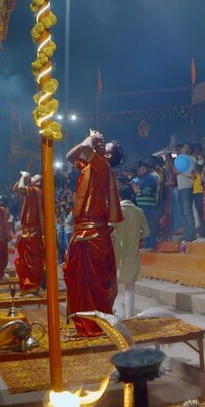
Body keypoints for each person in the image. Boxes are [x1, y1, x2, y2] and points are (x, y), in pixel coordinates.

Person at [65, 130, 124, 337]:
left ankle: (96, 324)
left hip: (92, 234)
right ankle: (83, 321)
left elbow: (86, 147)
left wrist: (92, 138)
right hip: (81, 230)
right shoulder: (90, 166)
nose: (100, 144)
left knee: (92, 283)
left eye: (104, 145)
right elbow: (70, 156)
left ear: (108, 155)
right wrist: (89, 140)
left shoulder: (102, 166)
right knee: (77, 282)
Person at [113, 185, 149, 319]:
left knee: (114, 286)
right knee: (130, 287)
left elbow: (110, 231)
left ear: (119, 196)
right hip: (132, 251)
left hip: (117, 252)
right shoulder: (139, 211)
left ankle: (117, 314)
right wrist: (136, 236)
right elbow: (146, 232)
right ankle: (129, 316)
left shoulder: (116, 211)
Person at [13, 171, 44, 295]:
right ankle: (27, 287)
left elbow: (20, 188)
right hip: (27, 232)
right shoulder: (31, 192)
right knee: (25, 263)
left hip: (33, 233)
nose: (32, 177)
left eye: (34, 177)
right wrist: (23, 178)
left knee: (33, 263)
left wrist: (23, 176)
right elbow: (15, 188)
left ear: (38, 182)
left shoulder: (34, 190)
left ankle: (32, 286)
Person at [134, 161, 160, 251]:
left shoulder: (150, 178)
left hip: (149, 206)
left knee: (150, 226)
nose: (139, 171)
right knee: (144, 226)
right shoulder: (141, 179)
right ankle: (146, 245)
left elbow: (147, 191)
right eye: (139, 169)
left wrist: (138, 190)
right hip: (142, 206)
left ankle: (151, 245)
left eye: (141, 169)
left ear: (146, 169)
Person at [176, 143, 196, 242]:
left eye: (185, 147)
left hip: (187, 187)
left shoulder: (191, 159)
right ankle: (186, 233)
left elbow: (191, 174)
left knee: (187, 212)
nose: (182, 148)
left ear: (190, 150)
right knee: (182, 212)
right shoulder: (181, 159)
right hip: (180, 187)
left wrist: (180, 172)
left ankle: (191, 234)